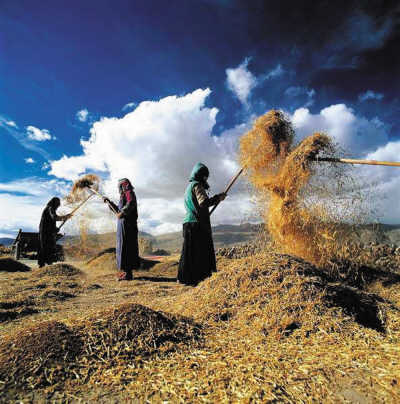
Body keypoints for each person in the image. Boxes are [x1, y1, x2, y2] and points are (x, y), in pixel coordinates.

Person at [178, 163, 226, 286]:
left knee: (189, 252)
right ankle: (199, 278)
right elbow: (203, 202)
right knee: (200, 252)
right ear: (200, 176)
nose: (206, 179)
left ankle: (186, 279)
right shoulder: (197, 185)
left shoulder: (188, 187)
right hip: (196, 224)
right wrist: (218, 198)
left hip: (188, 223)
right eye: (204, 177)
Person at [104, 178, 140, 280]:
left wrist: (123, 213)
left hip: (128, 226)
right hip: (123, 225)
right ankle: (125, 272)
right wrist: (109, 202)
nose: (119, 189)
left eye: (120, 186)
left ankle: (128, 273)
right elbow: (118, 211)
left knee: (127, 247)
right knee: (123, 247)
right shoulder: (123, 196)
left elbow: (131, 203)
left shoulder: (129, 193)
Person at [38, 197, 72, 268]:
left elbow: (50, 222)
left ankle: (47, 264)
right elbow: (54, 218)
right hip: (45, 232)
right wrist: (65, 217)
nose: (58, 205)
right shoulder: (50, 208)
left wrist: (55, 229)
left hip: (47, 231)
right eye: (58, 204)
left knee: (48, 247)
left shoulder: (49, 208)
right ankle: (44, 264)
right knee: (46, 247)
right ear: (54, 203)